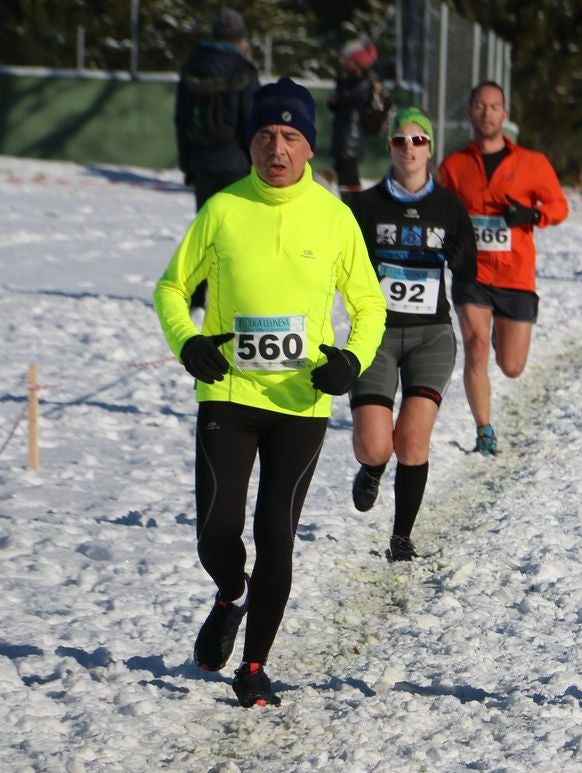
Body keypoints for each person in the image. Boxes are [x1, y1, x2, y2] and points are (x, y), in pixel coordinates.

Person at [153, 77, 387, 709]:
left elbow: (369, 305)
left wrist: (352, 362)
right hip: (228, 392)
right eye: (264, 135)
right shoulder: (223, 209)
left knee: (275, 532)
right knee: (215, 529)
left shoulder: (335, 217)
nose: (275, 149)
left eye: (289, 136)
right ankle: (230, 593)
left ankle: (254, 664)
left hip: (301, 402)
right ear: (250, 143)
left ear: (310, 147)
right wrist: (187, 342)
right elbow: (171, 289)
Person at [345, 107, 477, 560]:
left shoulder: (449, 207)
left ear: (430, 149)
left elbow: (468, 270)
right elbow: (342, 264)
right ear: (389, 149)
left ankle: (401, 536)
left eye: (418, 140)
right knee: (375, 444)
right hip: (376, 335)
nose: (409, 148)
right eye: (400, 140)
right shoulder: (364, 206)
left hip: (431, 335)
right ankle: (371, 466)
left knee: (413, 438)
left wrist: (461, 266)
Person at [437, 81, 568, 455]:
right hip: (472, 274)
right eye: (480, 105)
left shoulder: (532, 163)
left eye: (494, 106)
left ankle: (501, 334)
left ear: (505, 115)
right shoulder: (454, 164)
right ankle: (484, 432)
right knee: (474, 349)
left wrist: (532, 214)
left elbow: (559, 207)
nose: (487, 112)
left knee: (511, 366)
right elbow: (440, 209)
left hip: (515, 275)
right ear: (470, 112)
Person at [174, 7, 260, 309]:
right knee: (239, 234)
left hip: (203, 163)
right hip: (237, 163)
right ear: (239, 38)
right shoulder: (244, 70)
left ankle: (196, 294)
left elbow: (181, 120)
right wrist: (256, 165)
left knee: (205, 232)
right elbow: (253, 120)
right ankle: (236, 295)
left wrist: (188, 165)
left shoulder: (191, 67)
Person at [329, 39, 393, 196]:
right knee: (343, 174)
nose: (343, 62)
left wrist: (339, 94)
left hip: (350, 139)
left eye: (348, 60)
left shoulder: (363, 82)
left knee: (349, 176)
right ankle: (350, 203)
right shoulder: (349, 80)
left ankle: (356, 207)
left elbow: (344, 98)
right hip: (345, 137)